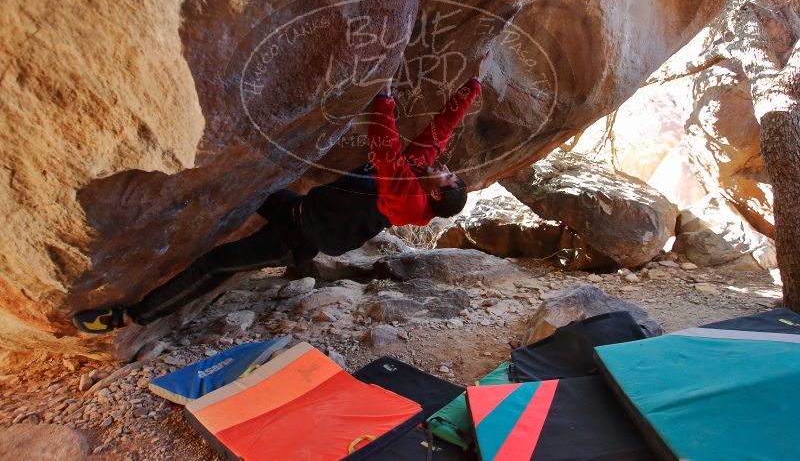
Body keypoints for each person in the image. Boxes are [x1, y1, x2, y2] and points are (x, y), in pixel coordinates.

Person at [74, 50, 492, 333]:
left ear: (436, 197)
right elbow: (440, 130)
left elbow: (384, 150)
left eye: (448, 178)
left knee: (217, 264)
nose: (444, 167)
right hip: (299, 209)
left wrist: (382, 97)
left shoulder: (409, 197)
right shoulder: (422, 173)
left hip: (295, 239)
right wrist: (473, 85)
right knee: (249, 190)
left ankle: (129, 317)